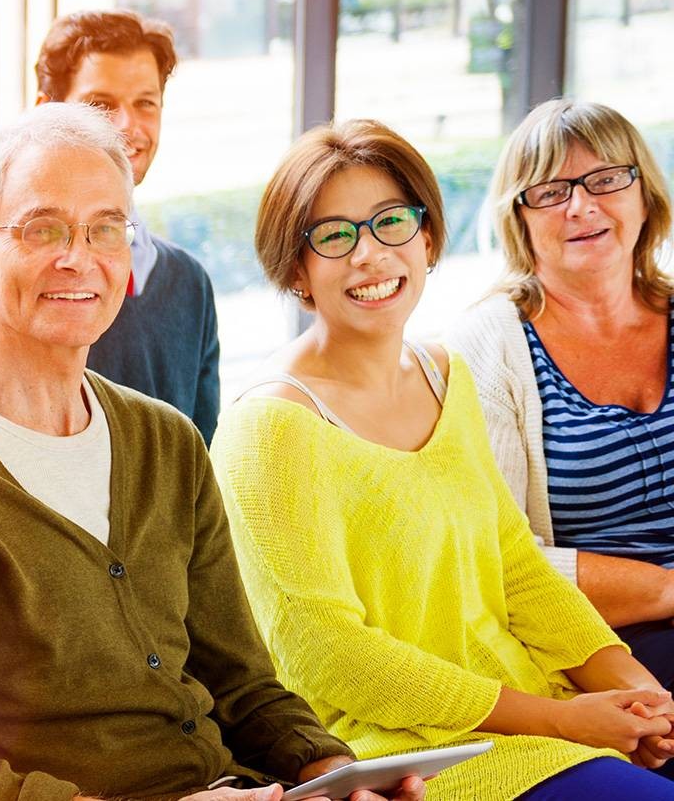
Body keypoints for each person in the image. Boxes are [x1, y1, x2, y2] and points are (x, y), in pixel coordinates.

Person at [0, 103, 406, 801]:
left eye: (106, 228)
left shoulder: (166, 440)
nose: (77, 256)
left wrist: (334, 775)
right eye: (41, 228)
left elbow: (242, 682)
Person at [212, 118, 674, 800]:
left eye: (391, 222)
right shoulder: (271, 428)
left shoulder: (444, 375)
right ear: (296, 269)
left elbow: (516, 568)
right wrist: (562, 719)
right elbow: (331, 658)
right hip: (408, 758)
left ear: (426, 239)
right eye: (335, 235)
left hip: (535, 719)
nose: (370, 254)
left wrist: (639, 692)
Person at [448, 100, 674, 685]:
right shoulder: (489, 348)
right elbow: (494, 560)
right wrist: (666, 588)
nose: (581, 205)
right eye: (550, 191)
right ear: (519, 217)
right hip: (599, 642)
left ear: (643, 195)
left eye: (605, 180)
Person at [0, 10, 221, 440]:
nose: (127, 126)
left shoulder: (189, 284)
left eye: (145, 103)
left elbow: (199, 455)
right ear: (46, 113)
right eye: (100, 106)